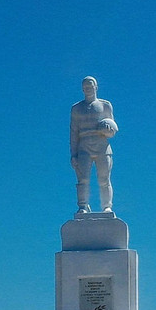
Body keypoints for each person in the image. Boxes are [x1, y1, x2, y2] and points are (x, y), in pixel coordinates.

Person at [69, 76, 118, 213]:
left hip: (102, 146)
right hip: (83, 147)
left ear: (96, 87)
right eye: (85, 87)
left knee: (104, 179)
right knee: (82, 179)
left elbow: (113, 128)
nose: (88, 89)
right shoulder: (76, 109)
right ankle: (83, 206)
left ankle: (107, 206)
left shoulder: (105, 105)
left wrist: (108, 129)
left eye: (90, 86)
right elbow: (73, 132)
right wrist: (73, 154)